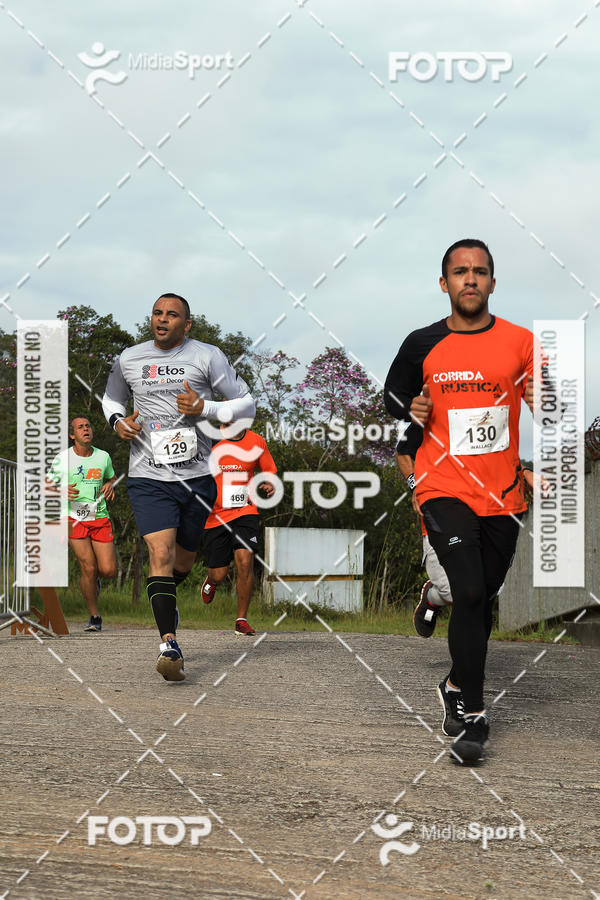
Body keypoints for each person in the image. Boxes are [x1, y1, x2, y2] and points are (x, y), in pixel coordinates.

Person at [384, 239, 535, 763]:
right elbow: (393, 397)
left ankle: (453, 685)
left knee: (481, 595)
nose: (470, 279)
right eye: (460, 271)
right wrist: (412, 406)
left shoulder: (520, 342)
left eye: (480, 271)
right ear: (444, 282)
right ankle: (474, 715)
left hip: (503, 494)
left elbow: (551, 408)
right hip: (441, 485)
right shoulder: (422, 342)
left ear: (492, 282)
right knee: (468, 590)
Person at [102, 293, 256, 681]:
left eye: (172, 315)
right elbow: (111, 400)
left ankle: (167, 603)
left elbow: (246, 404)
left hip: (197, 478)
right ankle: (169, 644)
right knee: (160, 552)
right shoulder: (129, 358)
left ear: (186, 324)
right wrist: (118, 422)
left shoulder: (207, 356)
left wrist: (206, 408)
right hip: (147, 476)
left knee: (182, 563)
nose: (162, 319)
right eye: (157, 313)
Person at [200, 423, 277, 635]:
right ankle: (212, 580)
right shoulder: (210, 441)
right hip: (215, 516)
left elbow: (269, 469)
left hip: (245, 511)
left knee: (245, 561)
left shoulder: (256, 441)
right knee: (219, 573)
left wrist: (270, 482)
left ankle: (241, 620)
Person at [47, 416, 117, 632]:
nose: (85, 429)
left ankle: (94, 580)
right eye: (80, 427)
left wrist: (110, 484)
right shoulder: (62, 459)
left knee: (108, 570)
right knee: (88, 567)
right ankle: (94, 617)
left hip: (99, 517)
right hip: (73, 518)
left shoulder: (103, 457)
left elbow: (112, 477)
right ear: (72, 435)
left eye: (88, 426)